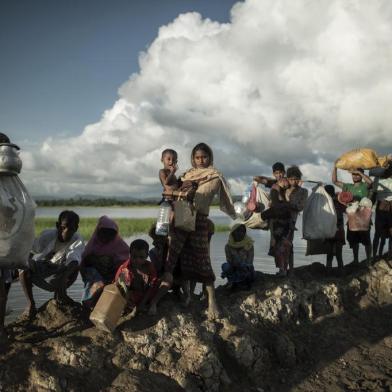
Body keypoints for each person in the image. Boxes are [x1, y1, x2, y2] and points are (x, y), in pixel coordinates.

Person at [149, 142, 236, 319]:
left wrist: (192, 188)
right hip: (182, 215)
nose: (201, 160)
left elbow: (203, 196)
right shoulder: (186, 175)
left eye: (204, 157)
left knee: (202, 258)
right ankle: (185, 295)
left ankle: (212, 301)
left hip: (200, 220)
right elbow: (173, 190)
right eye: (197, 157)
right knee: (175, 255)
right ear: (193, 159)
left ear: (210, 157)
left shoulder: (214, 176)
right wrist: (181, 187)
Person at [19, 210, 84, 319]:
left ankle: (60, 295)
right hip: (43, 267)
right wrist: (26, 268)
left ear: (76, 229)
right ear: (58, 226)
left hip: (60, 271)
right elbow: (30, 251)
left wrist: (63, 278)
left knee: (76, 267)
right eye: (63, 227)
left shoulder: (77, 239)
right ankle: (31, 304)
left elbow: (74, 259)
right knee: (22, 267)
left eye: (71, 229)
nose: (66, 232)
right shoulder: (47, 236)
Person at [261, 166, 307, 276]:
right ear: (288, 179)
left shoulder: (303, 191)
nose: (294, 181)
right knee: (277, 245)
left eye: (296, 179)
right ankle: (282, 269)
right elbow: (274, 196)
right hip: (278, 220)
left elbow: (300, 207)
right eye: (291, 179)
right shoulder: (284, 188)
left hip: (291, 220)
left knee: (288, 245)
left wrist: (286, 205)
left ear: (300, 179)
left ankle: (290, 269)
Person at [80, 216, 129, 309]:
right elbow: (84, 262)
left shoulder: (119, 245)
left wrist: (112, 269)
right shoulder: (92, 245)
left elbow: (125, 263)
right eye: (103, 233)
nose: (106, 236)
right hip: (94, 275)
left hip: (112, 274)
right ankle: (87, 303)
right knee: (98, 284)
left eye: (110, 234)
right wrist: (96, 261)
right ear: (98, 232)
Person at [332, 163, 373, 264]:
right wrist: (335, 167)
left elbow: (370, 182)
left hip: (364, 218)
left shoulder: (365, 186)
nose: (355, 176)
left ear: (361, 175)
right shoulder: (348, 186)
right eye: (353, 174)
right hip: (352, 218)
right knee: (354, 241)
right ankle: (355, 260)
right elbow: (334, 181)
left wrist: (359, 172)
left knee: (366, 240)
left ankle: (368, 260)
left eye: (357, 174)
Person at [115, 239, 158, 314]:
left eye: (141, 257)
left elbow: (152, 286)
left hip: (146, 293)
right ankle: (128, 306)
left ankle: (140, 305)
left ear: (147, 256)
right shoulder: (125, 268)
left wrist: (143, 302)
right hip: (131, 293)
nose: (137, 260)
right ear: (130, 254)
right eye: (134, 256)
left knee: (157, 288)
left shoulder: (149, 267)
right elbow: (119, 285)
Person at [221, 224, 254, 289]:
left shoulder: (249, 245)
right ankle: (232, 282)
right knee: (225, 266)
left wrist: (241, 264)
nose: (240, 233)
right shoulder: (228, 246)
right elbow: (229, 260)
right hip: (234, 267)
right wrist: (234, 265)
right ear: (233, 233)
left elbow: (250, 262)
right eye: (238, 231)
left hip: (246, 269)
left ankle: (240, 282)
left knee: (243, 266)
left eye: (242, 231)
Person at [372, 159, 392, 260]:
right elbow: (374, 191)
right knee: (378, 233)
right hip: (381, 206)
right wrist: (385, 164)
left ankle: (389, 255)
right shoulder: (378, 178)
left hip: (389, 206)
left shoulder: (378, 178)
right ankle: (375, 255)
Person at [324, 185, 346, 273]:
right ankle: (340, 270)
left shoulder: (330, 202)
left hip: (333, 230)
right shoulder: (338, 201)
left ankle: (329, 270)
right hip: (337, 230)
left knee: (331, 253)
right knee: (337, 253)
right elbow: (346, 209)